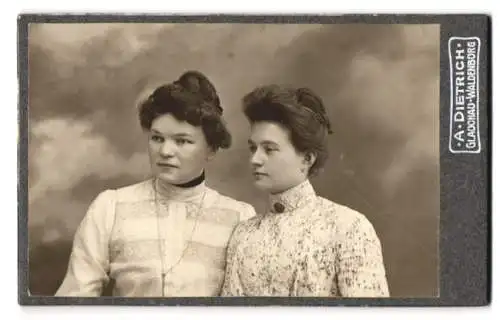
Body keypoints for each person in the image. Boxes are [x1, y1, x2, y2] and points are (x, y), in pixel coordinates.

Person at [55, 70, 256, 297]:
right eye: (157, 138)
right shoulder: (110, 207)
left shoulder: (239, 218)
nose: (165, 151)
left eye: (182, 141)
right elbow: (75, 300)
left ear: (211, 148)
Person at [221, 85, 389, 297]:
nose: (255, 159)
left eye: (269, 149)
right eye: (253, 148)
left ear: (307, 158)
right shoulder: (243, 235)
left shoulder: (349, 228)